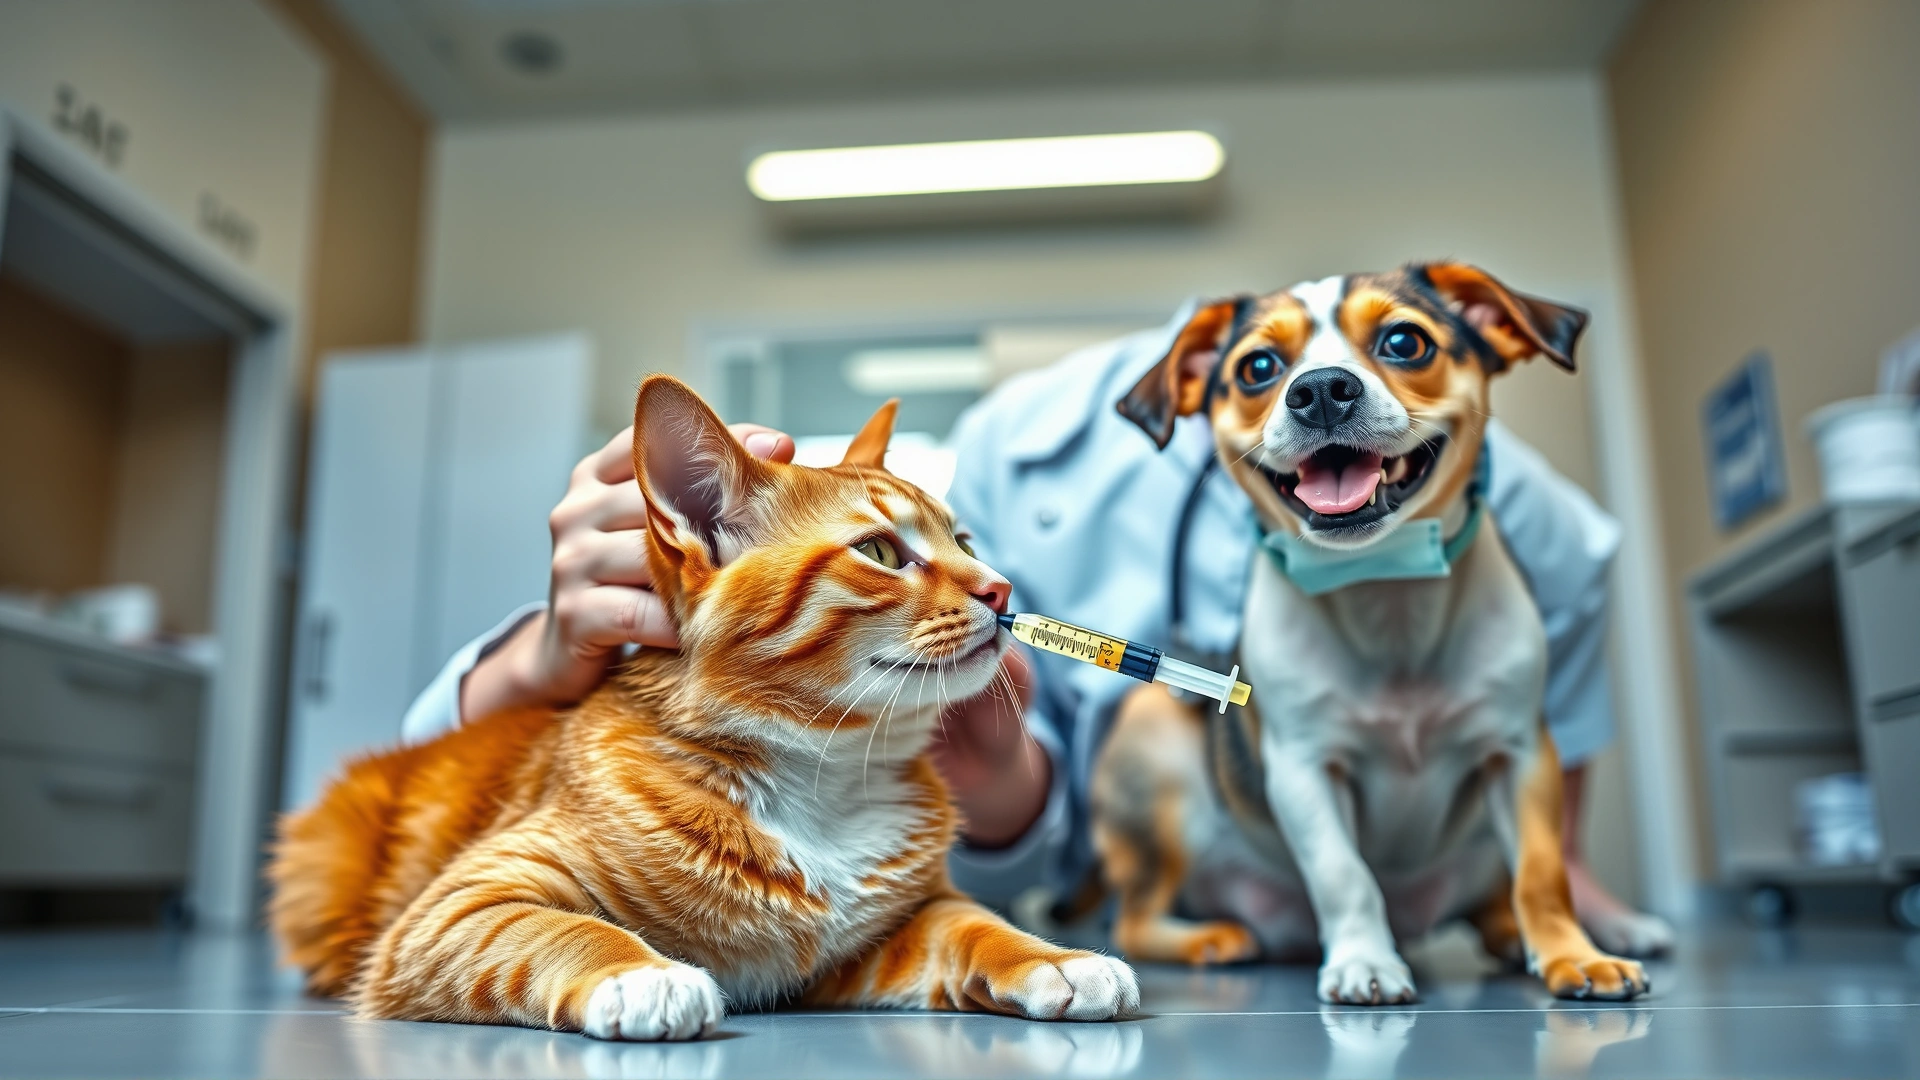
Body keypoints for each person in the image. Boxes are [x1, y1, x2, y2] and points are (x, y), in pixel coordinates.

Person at [400, 302, 1672, 958]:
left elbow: (1556, 690)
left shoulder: (1524, 520)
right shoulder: (984, 480)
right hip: (1179, 905)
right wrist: (536, 658)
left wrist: (1549, 870)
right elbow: (1018, 830)